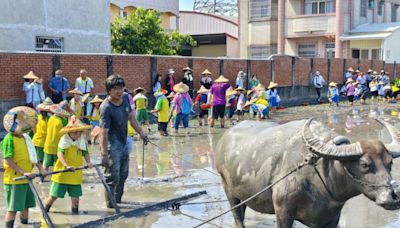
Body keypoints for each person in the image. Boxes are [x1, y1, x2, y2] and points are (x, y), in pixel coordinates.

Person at [99, 75, 148, 208]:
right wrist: (103, 154)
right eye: (115, 88)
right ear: (109, 90)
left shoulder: (126, 99)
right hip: (111, 145)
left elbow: (132, 119)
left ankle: (118, 201)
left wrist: (142, 133)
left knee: (123, 174)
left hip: (124, 142)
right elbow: (103, 132)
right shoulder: (106, 108)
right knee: (112, 177)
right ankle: (110, 206)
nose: (119, 91)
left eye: (121, 88)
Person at [2, 106, 45, 228]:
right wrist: (22, 172)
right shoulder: (8, 139)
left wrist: (40, 168)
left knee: (26, 205)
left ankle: (25, 224)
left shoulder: (26, 137)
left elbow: (33, 154)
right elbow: (8, 160)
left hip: (27, 177)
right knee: (13, 208)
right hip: (15, 180)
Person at [44, 116, 93, 215]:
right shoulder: (64, 141)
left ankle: (75, 216)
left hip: (75, 174)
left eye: (79, 132)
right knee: (53, 196)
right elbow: (59, 154)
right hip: (62, 174)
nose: (78, 134)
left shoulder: (81, 141)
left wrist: (88, 162)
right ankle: (45, 211)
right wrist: (66, 165)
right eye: (75, 132)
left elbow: (85, 153)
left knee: (76, 199)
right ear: (69, 132)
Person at [43, 102, 71, 171]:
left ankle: (41, 179)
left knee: (45, 165)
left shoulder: (51, 118)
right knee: (58, 165)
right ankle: (56, 178)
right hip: (57, 146)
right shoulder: (63, 121)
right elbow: (68, 132)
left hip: (48, 145)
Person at [32, 97, 54, 164]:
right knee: (44, 163)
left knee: (37, 162)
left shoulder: (37, 117)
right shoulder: (51, 119)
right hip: (45, 142)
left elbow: (34, 129)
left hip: (36, 140)